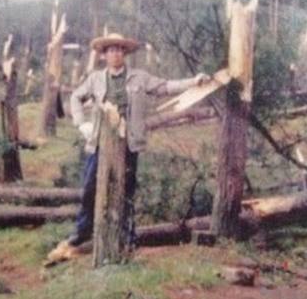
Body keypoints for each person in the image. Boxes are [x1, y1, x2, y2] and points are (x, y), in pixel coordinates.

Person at [64, 32, 210, 249]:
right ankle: (83, 231)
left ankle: (127, 236)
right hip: (99, 143)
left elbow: (166, 86)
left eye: (119, 50)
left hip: (129, 143)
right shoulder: (95, 79)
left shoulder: (139, 77)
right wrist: (81, 123)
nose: (115, 54)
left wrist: (193, 81)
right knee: (89, 188)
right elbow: (75, 96)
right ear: (104, 55)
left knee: (127, 189)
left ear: (125, 53)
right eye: (111, 50)